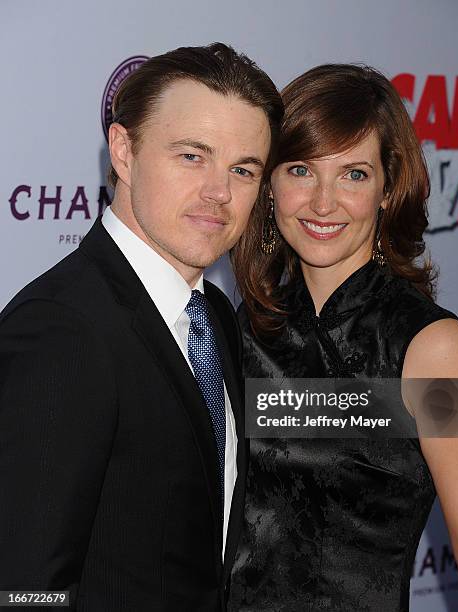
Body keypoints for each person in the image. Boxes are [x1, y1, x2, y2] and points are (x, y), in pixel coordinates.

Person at [0, 43, 282, 611]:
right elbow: (26, 587)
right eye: (191, 156)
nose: (219, 193)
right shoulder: (62, 329)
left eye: (243, 169)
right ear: (124, 152)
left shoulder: (216, 317)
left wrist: (440, 400)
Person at [229, 64, 458, 610]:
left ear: (388, 188)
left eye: (353, 174)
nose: (323, 202)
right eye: (301, 170)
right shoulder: (244, 328)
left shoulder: (438, 347)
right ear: (269, 184)